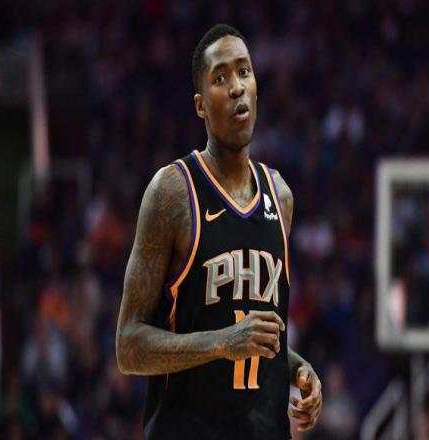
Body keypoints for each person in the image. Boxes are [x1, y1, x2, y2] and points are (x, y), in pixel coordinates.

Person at [116, 23, 322, 439]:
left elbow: (254, 336)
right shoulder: (173, 192)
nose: (236, 87)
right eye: (221, 78)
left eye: (244, 72)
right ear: (200, 106)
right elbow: (129, 346)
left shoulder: (280, 196)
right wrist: (222, 342)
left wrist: (298, 367)